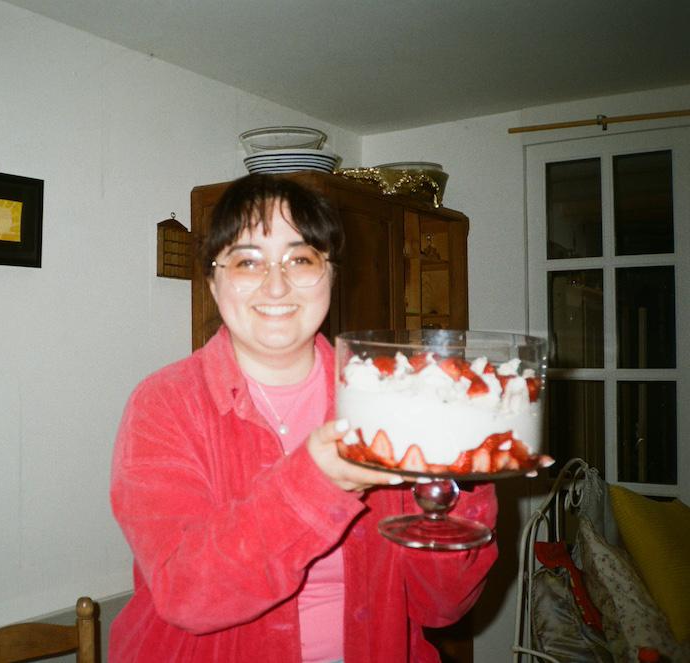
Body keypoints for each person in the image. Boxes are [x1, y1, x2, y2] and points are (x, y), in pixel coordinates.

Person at [110, 173, 497, 662]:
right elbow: (187, 591)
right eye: (247, 261)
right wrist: (318, 482)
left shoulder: (392, 399)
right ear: (212, 281)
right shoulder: (164, 405)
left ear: (331, 274)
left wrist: (459, 478)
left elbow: (440, 606)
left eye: (300, 259)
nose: (276, 285)